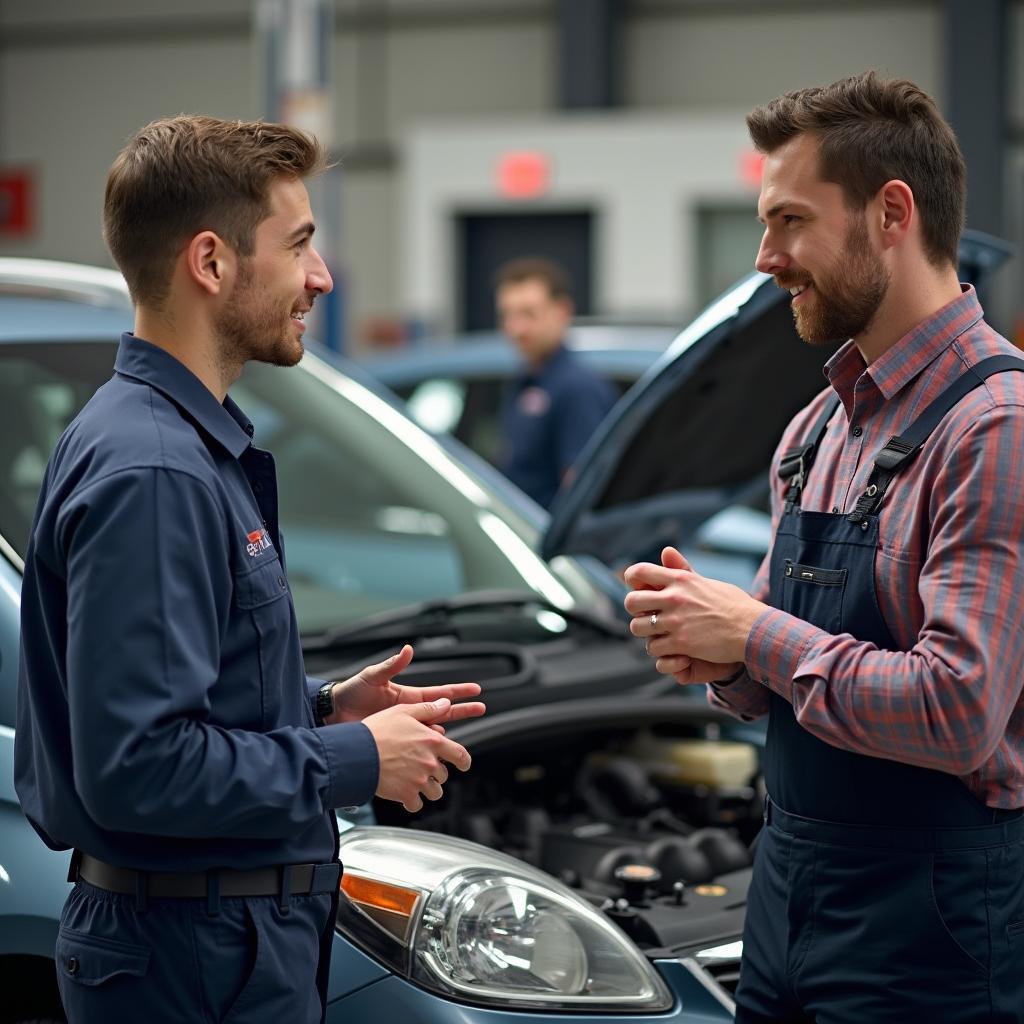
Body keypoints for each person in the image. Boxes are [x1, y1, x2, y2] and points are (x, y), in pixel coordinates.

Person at [14, 115, 485, 1024]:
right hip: (193, 956)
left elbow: (173, 702)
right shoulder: (153, 468)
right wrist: (354, 758)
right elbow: (139, 767)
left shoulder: (170, 444)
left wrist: (318, 709)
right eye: (300, 243)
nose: (321, 277)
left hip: (212, 942)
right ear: (211, 263)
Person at [624, 72, 1024, 1022]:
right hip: (788, 895)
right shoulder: (815, 431)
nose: (766, 258)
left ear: (892, 213)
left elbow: (958, 708)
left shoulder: (994, 427)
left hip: (933, 924)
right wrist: (712, 653)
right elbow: (776, 670)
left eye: (790, 221)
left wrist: (755, 634)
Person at [494, 257, 617, 508]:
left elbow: (581, 493)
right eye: (508, 314)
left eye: (528, 313)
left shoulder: (577, 388)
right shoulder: (523, 382)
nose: (516, 328)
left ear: (562, 311)